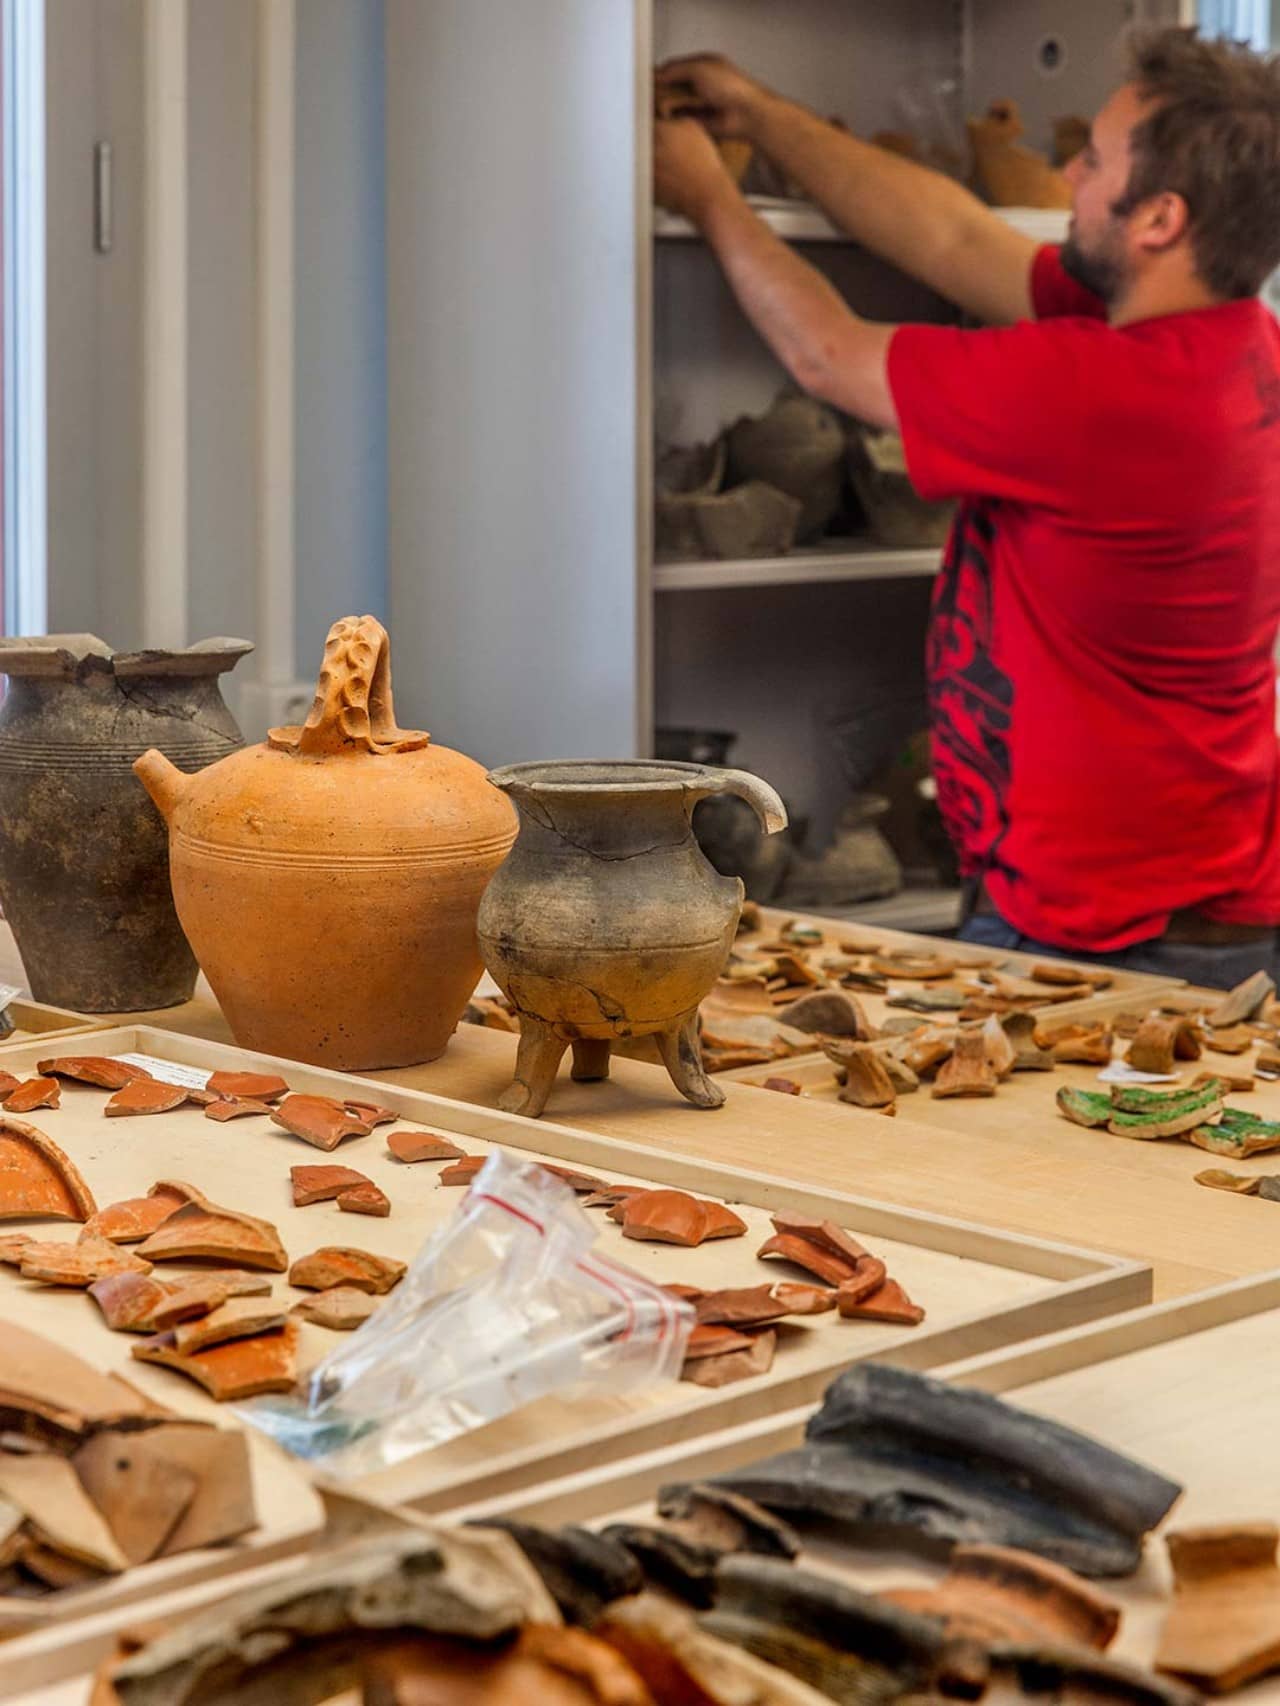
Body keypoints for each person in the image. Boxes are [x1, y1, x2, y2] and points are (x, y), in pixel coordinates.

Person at [654, 29, 1280, 989]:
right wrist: (767, 118)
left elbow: (827, 353)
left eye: (1096, 160)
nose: (1068, 170)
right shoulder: (1230, 340)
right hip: (1176, 901)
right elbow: (953, 239)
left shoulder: (1107, 391)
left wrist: (707, 195)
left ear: (1159, 217)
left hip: (1119, 936)